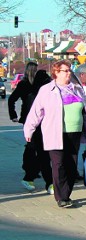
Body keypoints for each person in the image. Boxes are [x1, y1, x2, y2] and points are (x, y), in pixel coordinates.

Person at [23, 60, 86, 208]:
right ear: (56, 72)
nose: (69, 73)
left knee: (71, 165)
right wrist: (29, 128)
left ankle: (67, 194)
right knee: (59, 164)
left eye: (69, 70)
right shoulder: (47, 90)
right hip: (55, 132)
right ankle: (61, 197)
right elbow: (36, 111)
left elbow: (85, 110)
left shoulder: (77, 88)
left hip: (74, 132)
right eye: (65, 70)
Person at [9, 63, 53, 193]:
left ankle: (31, 173)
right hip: (34, 120)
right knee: (38, 148)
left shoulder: (28, 84)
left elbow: (12, 99)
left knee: (33, 147)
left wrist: (14, 115)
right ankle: (32, 174)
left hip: (31, 119)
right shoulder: (39, 85)